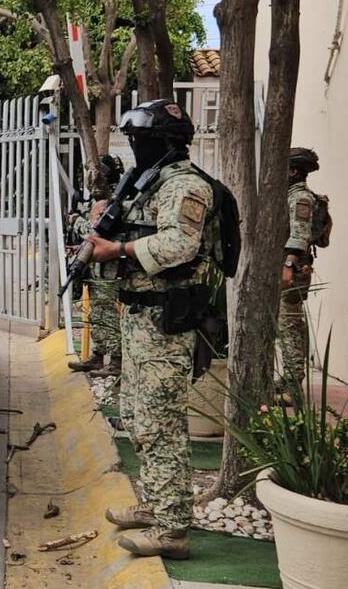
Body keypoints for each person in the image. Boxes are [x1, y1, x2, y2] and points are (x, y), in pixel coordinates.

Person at [85, 100, 222, 560]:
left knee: (161, 423)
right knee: (139, 418)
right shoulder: (152, 182)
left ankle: (173, 530)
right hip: (140, 316)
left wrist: (119, 250)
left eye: (142, 140)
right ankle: (156, 506)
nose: (136, 147)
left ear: (164, 143)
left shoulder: (185, 185)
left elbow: (179, 245)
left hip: (167, 321)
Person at [68, 154, 124, 376]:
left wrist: (76, 222)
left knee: (108, 312)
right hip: (97, 266)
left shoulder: (113, 200)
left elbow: (95, 232)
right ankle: (98, 356)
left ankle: (116, 361)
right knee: (97, 312)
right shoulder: (101, 198)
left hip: (108, 267)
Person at [278, 147, 320, 389]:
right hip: (288, 267)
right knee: (286, 322)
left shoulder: (300, 197)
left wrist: (288, 265)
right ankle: (288, 378)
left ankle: (293, 384)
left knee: (289, 323)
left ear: (294, 171)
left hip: (293, 268)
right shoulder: (289, 195)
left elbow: (300, 234)